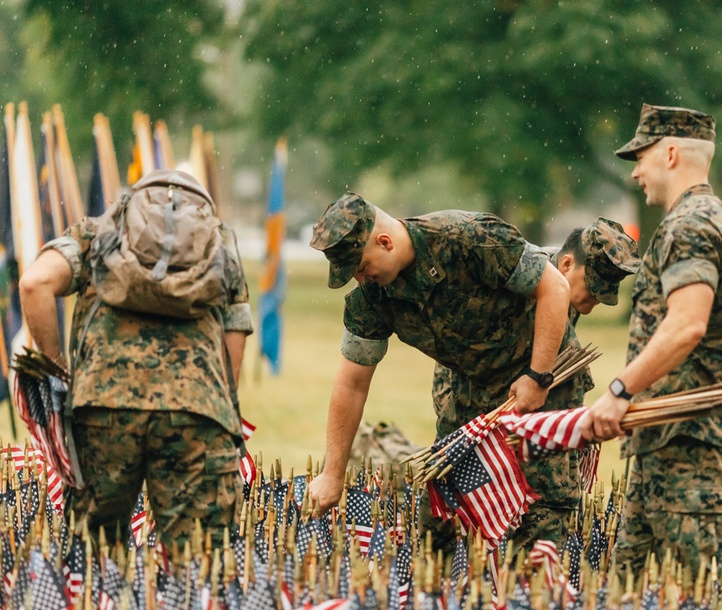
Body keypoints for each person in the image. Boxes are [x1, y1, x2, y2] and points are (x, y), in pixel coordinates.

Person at [306, 194, 591, 550]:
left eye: (361, 267)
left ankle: (528, 598)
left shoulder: (468, 237)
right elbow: (351, 383)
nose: (360, 279)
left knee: (541, 505)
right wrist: (333, 475)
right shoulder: (371, 298)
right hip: (470, 382)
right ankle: (447, 598)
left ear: (384, 242)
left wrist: (537, 377)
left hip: (543, 369)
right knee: (444, 509)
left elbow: (555, 288)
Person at [18, 169, 253, 552]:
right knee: (199, 562)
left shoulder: (98, 231)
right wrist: (223, 408)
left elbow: (34, 284)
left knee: (92, 558)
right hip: (197, 410)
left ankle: (97, 609)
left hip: (101, 408)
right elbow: (234, 331)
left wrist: (59, 369)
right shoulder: (219, 241)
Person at [580, 104, 722, 575]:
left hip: (691, 443)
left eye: (642, 156)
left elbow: (687, 324)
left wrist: (619, 391)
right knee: (626, 592)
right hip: (668, 440)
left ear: (672, 153)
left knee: (694, 602)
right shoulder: (713, 218)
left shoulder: (691, 225)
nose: (635, 171)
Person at [431, 217, 640, 441]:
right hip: (466, 389)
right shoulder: (529, 278)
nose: (597, 297)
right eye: (592, 286)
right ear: (567, 264)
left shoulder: (566, 279)